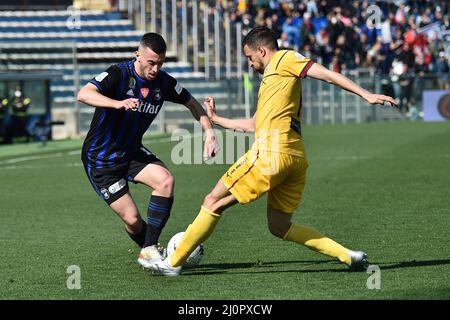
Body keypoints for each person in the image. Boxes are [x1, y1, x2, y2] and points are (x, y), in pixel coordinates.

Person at [147, 26, 397, 276]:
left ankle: (173, 262)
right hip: (295, 160)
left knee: (213, 201)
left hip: (271, 154)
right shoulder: (272, 80)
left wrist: (367, 95)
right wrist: (216, 119)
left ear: (262, 50)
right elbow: (254, 124)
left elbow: (327, 75)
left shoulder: (285, 59)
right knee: (279, 226)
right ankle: (347, 255)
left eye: (249, 57)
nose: (250, 64)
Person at [77, 32, 219, 268]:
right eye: (151, 62)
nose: (155, 69)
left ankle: (150, 250)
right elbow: (84, 94)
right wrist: (117, 103)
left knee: (165, 181)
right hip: (101, 159)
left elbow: (193, 104)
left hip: (131, 151)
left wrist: (210, 133)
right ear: (138, 55)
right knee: (132, 220)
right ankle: (150, 249)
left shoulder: (163, 82)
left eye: (160, 63)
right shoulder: (118, 74)